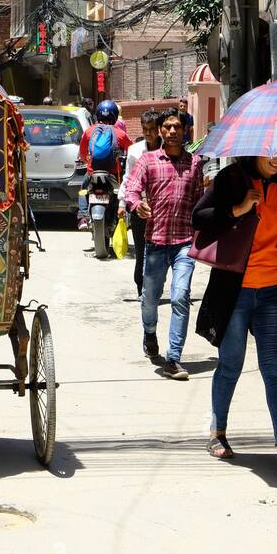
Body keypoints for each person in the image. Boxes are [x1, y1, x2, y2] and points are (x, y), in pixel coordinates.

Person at [193, 153, 277, 478]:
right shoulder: (233, 179)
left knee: (274, 369)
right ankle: (217, 432)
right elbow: (199, 217)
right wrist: (237, 209)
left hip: (274, 290)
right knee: (231, 363)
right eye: (272, 151)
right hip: (235, 291)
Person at [125, 109, 204, 379]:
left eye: (177, 127)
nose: (172, 131)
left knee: (181, 296)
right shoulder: (147, 161)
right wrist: (137, 205)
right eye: (167, 127)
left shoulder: (195, 163)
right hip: (156, 242)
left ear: (185, 131)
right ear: (160, 131)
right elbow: (132, 189)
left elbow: (198, 200)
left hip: (184, 243)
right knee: (150, 299)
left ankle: (173, 358)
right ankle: (149, 333)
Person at [118, 109, 161, 297]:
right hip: (139, 207)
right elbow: (128, 177)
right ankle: (141, 288)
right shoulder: (135, 151)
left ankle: (154, 286)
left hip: (161, 208)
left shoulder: (167, 148)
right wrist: (122, 202)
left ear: (159, 129)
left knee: (159, 251)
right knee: (142, 249)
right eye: (145, 129)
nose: (148, 133)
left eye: (152, 129)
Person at [77, 101, 131, 232]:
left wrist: (85, 160)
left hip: (92, 172)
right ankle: (125, 217)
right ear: (114, 115)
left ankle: (83, 217)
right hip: (113, 174)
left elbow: (83, 153)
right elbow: (132, 150)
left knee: (83, 189)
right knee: (121, 194)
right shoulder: (119, 133)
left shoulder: (89, 131)